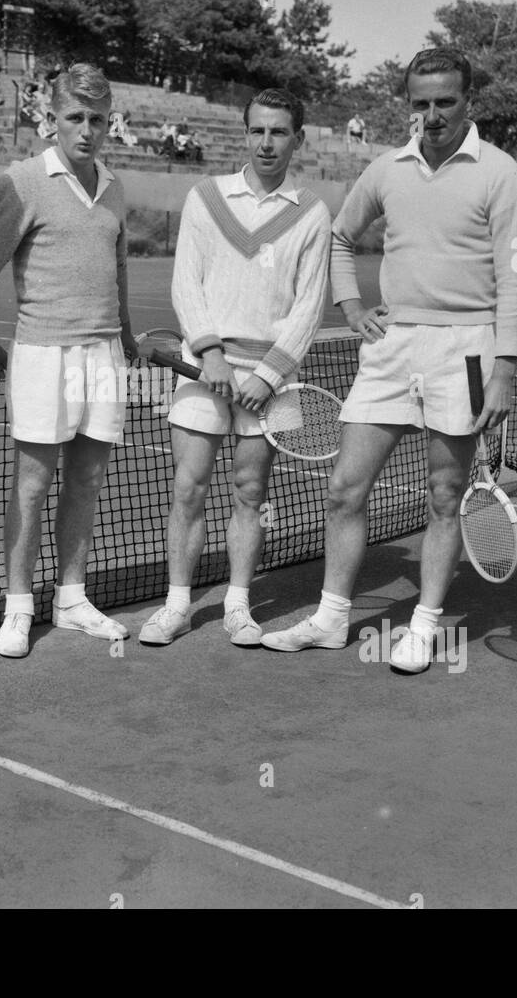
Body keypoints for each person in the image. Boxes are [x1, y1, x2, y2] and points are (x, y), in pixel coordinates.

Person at [264, 47, 517, 673]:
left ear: (469, 101)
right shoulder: (386, 169)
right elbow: (338, 235)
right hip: (389, 350)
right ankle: (332, 620)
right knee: (344, 489)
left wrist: (505, 368)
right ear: (407, 104)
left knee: (444, 495)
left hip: (465, 349)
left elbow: (514, 277)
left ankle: (423, 627)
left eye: (445, 102)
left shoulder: (501, 173)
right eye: (420, 103)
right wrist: (353, 307)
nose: (432, 115)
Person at [139, 87, 332, 647]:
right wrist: (215, 357)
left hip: (271, 380)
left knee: (251, 492)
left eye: (278, 132)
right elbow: (186, 283)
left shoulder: (313, 212)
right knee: (189, 489)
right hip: (206, 369)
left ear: (297, 138)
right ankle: (176, 606)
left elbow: (308, 306)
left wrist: (265, 376)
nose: (266, 142)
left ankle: (238, 605)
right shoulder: (206, 196)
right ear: (245, 134)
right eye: (257, 131)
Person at [0, 63, 138, 659]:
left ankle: (70, 596)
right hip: (42, 352)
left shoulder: (114, 186)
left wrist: (129, 341)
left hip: (105, 353)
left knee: (86, 481)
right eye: (75, 118)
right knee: (32, 485)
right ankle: (18, 605)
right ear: (51, 120)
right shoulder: (22, 181)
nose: (86, 130)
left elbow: (115, 271)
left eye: (97, 119)